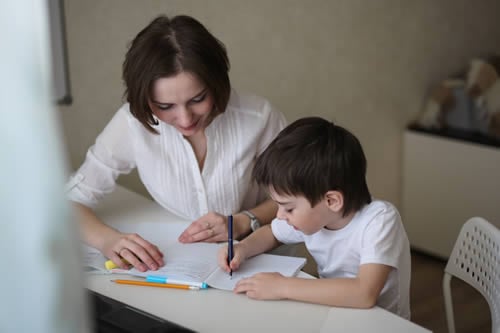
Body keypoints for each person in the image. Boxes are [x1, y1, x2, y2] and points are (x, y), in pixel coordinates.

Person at [67, 15, 286, 272]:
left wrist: (245, 221)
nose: (185, 118)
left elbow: (304, 194)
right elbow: (68, 203)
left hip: (266, 258)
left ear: (216, 82)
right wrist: (108, 240)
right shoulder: (131, 123)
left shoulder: (258, 118)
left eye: (198, 99)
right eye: (165, 106)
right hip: (187, 261)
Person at [218, 117, 411, 319]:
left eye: (289, 208)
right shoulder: (317, 216)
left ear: (332, 201)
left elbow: (364, 293)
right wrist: (242, 249)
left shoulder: (380, 220)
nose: (279, 216)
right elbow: (271, 233)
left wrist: (282, 286)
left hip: (381, 323)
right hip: (333, 312)